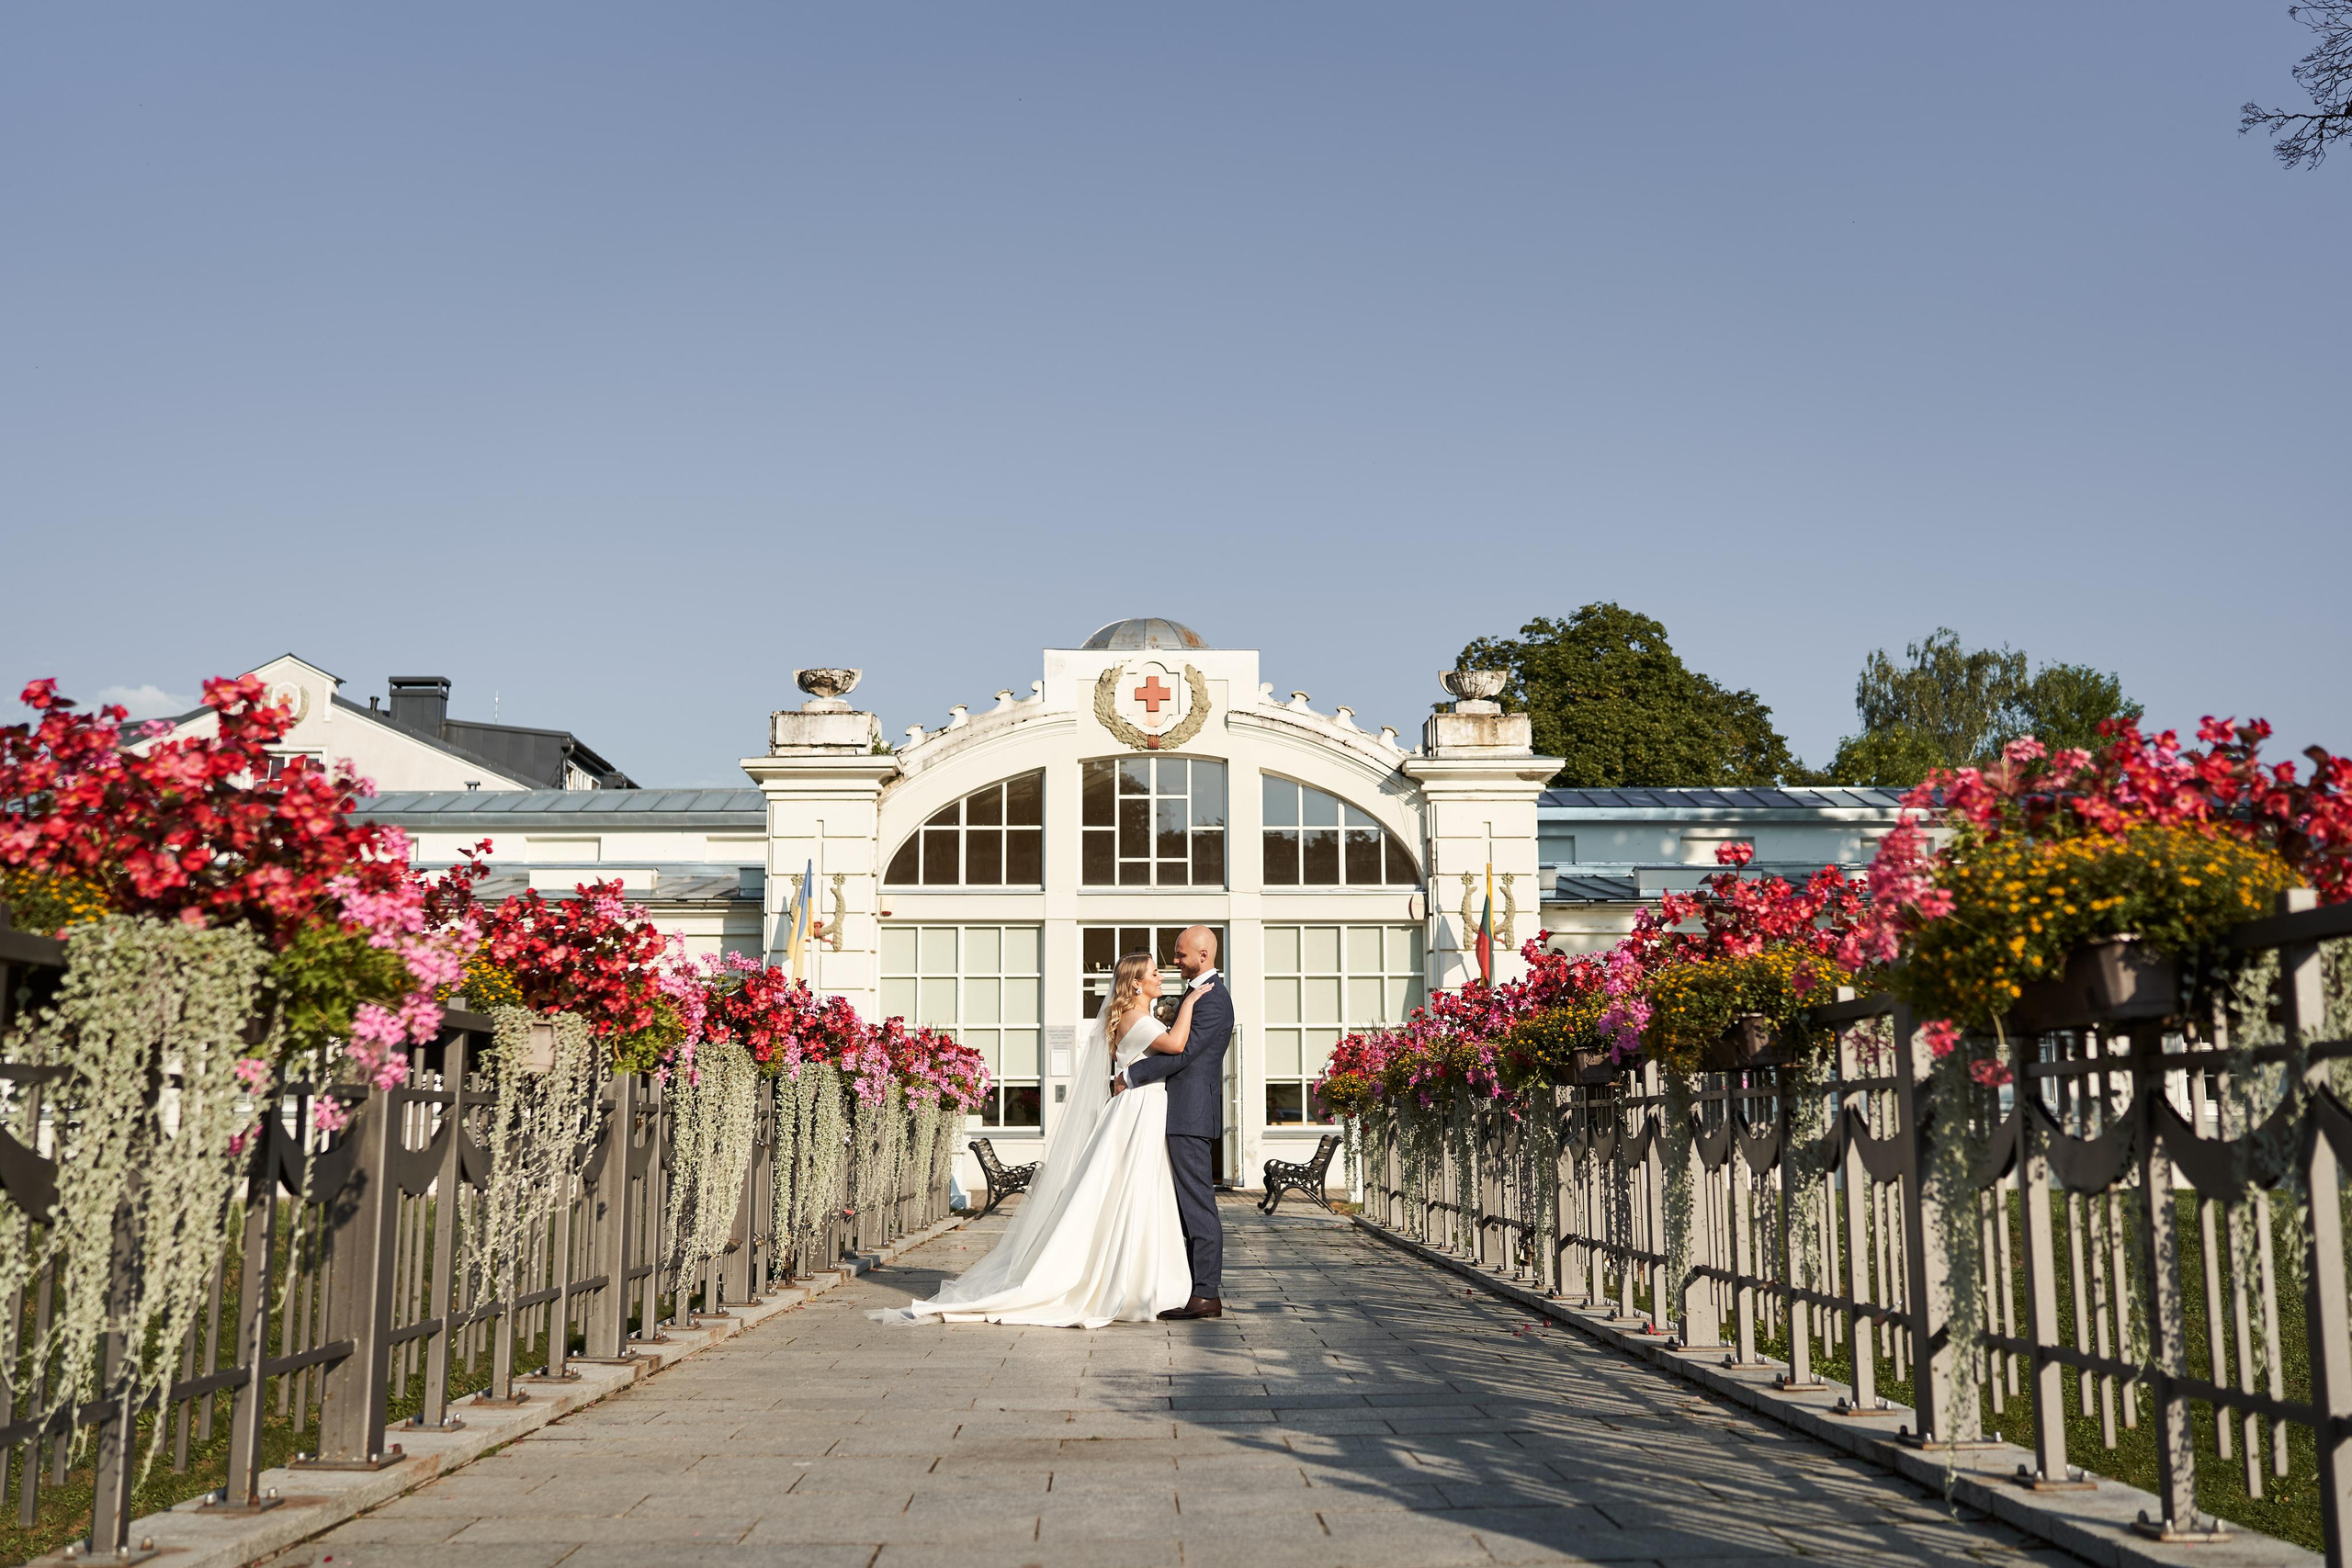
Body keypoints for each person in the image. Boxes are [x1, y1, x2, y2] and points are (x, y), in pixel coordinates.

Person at [873, 950, 1198, 1326]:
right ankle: (1124, 1281)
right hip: (1138, 1110)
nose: (1162, 977)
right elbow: (1176, 1046)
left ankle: (1138, 1277)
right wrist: (1190, 1002)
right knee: (1130, 1190)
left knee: (1134, 1191)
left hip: (1140, 1107)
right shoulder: (1136, 1017)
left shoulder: (1134, 1016)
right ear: (1136, 983)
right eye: (1155, 973)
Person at [1113, 924, 1229, 1320]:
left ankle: (1207, 1294)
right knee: (1182, 1207)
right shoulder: (1198, 995)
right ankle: (1189, 1287)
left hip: (1188, 1116)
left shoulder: (1212, 1000)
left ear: (1203, 956)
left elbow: (1182, 1054)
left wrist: (1130, 1077)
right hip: (1175, 1113)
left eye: (1180, 955)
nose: (1174, 961)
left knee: (1197, 1207)